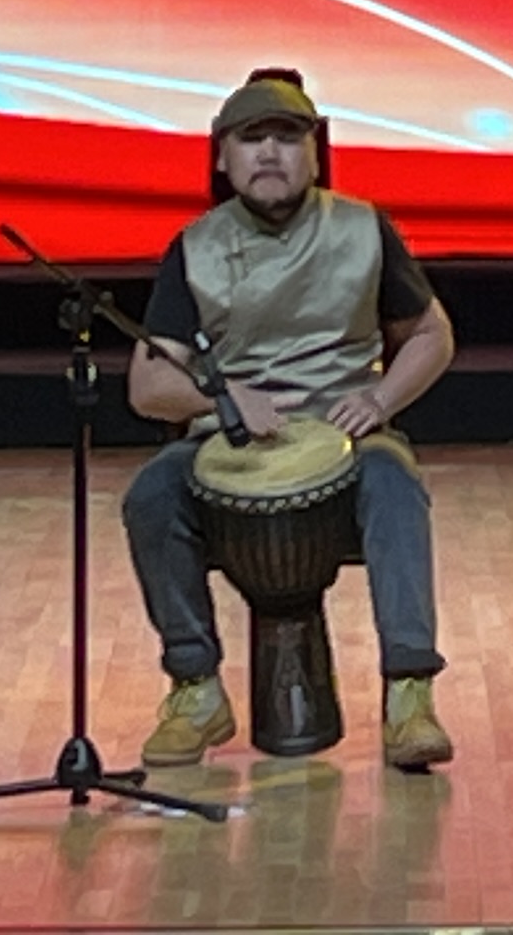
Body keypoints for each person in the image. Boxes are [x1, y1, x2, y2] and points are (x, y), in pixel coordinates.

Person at [121, 71, 461, 771]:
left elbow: (432, 335)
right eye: (253, 139)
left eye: (287, 137)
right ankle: (195, 687)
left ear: (315, 152)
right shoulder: (196, 247)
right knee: (152, 495)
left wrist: (380, 401)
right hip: (233, 438)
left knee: (396, 486)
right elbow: (148, 384)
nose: (270, 152)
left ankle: (410, 694)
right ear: (223, 157)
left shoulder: (362, 228)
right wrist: (220, 402)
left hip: (347, 433)